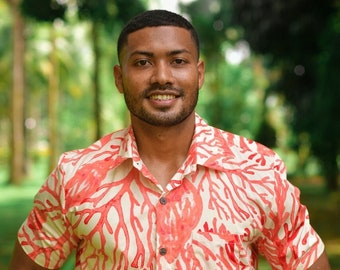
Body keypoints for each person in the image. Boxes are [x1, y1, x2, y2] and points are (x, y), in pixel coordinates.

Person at [9, 9, 330, 270]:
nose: (162, 76)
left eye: (178, 61)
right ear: (119, 79)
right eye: (142, 62)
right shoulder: (74, 175)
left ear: (199, 74)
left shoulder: (256, 169)